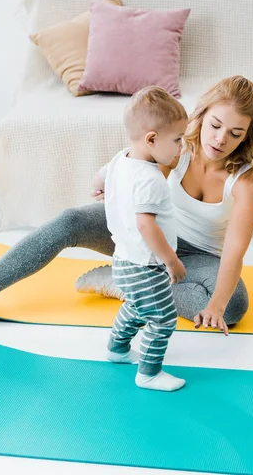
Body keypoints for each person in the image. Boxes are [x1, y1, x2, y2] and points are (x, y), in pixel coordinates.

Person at [0, 76, 253, 338]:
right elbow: (135, 165)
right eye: (216, 126)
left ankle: (125, 283)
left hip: (200, 258)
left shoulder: (247, 180)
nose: (221, 140)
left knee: (233, 306)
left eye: (235, 133)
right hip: (150, 236)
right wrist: (115, 187)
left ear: (247, 136)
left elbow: (234, 253)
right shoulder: (178, 147)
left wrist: (217, 306)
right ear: (202, 116)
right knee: (70, 221)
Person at [101, 86, 188, 392]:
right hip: (146, 265)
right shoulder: (150, 179)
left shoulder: (120, 160)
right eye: (177, 140)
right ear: (151, 139)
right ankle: (149, 373)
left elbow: (101, 175)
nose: (182, 147)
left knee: (138, 308)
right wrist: (172, 261)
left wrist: (99, 185)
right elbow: (146, 226)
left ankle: (117, 348)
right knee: (163, 318)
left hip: (123, 260)